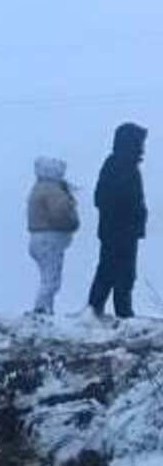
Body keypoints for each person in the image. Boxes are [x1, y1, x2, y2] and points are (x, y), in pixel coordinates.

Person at [88, 122, 148, 320]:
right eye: (139, 142)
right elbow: (102, 198)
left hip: (124, 231)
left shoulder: (126, 166)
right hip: (117, 230)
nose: (142, 146)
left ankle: (112, 310)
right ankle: (110, 311)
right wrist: (130, 214)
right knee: (112, 271)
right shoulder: (116, 165)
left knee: (122, 272)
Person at [26, 157, 80, 315]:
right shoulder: (52, 190)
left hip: (39, 238)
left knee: (48, 277)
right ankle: (41, 309)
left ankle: (46, 308)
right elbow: (60, 212)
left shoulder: (38, 188)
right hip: (50, 238)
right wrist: (72, 222)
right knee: (51, 278)